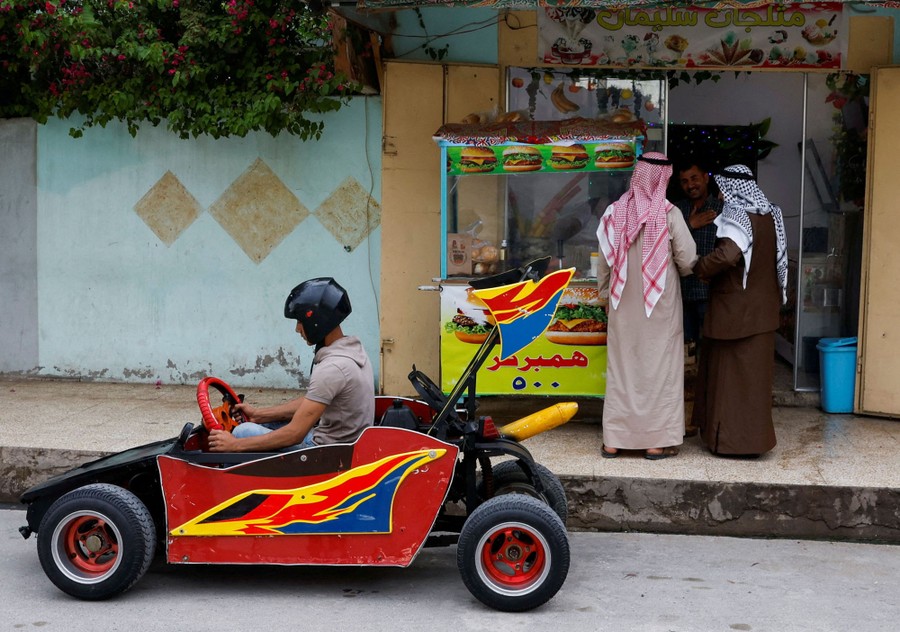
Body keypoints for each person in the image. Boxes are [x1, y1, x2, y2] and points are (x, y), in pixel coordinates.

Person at [596, 152, 698, 460]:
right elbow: (688, 258)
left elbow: (603, 264)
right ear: (662, 179)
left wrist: (604, 297)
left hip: (621, 306)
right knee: (659, 371)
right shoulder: (668, 214)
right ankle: (655, 442)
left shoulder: (614, 213)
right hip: (660, 308)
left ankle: (614, 441)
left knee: (622, 371)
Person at [208, 277, 375, 453]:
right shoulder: (353, 350)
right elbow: (314, 400)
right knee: (257, 423)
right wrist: (259, 415)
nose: (298, 329)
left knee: (242, 431)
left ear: (316, 320)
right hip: (344, 442)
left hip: (327, 453)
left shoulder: (332, 369)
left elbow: (294, 434)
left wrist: (234, 445)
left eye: (300, 321)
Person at [691, 165, 787, 457]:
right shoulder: (771, 215)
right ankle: (752, 442)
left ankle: (730, 444)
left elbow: (729, 254)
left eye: (722, 188)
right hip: (761, 313)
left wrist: (700, 266)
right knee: (753, 383)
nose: (720, 195)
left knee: (730, 382)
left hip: (736, 314)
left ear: (731, 188)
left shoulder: (738, 217)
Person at [673, 159, 723, 438]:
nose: (690, 185)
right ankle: (680, 416)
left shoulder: (721, 210)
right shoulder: (676, 210)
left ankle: (703, 415)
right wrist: (689, 225)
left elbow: (727, 251)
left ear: (706, 177)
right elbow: (664, 241)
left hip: (707, 294)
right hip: (677, 293)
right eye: (684, 181)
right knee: (680, 358)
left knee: (707, 355)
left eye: (694, 178)